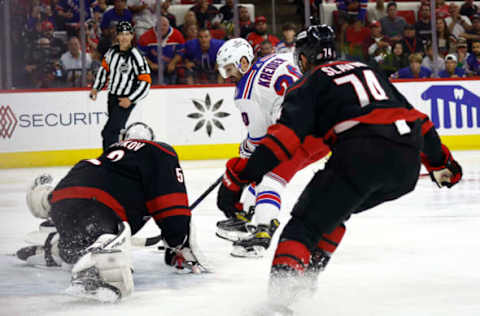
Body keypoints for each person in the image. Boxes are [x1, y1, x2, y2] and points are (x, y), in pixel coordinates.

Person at [216, 24, 462, 313]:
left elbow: (282, 142)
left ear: (304, 59)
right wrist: (441, 162)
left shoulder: (308, 83)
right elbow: (418, 119)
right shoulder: (366, 68)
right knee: (334, 212)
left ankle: (280, 301)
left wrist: (240, 177)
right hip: (405, 166)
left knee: (304, 225)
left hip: (360, 155)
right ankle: (305, 280)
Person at [16, 122, 206, 302]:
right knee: (109, 234)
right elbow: (171, 205)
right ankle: (99, 258)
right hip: (99, 207)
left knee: (78, 232)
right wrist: (177, 241)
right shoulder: (160, 151)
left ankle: (56, 238)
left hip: (64, 197)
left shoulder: (111, 154)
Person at [215, 38, 342, 259]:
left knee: (268, 177)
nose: (228, 76)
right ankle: (245, 214)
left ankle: (261, 235)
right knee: (265, 171)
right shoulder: (276, 58)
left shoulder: (244, 93)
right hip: (328, 123)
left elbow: (257, 139)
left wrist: (244, 152)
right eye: (224, 71)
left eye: (230, 69)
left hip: (303, 132)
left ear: (244, 62)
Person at [90, 22, 152, 150]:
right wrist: (96, 88)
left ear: (132, 36)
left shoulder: (136, 55)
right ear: (117, 36)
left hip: (125, 99)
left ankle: (109, 161)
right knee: (114, 132)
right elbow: (104, 70)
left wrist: (131, 99)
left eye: (127, 34)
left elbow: (146, 81)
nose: (124, 37)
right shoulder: (111, 52)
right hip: (112, 96)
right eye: (121, 34)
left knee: (109, 132)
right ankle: (115, 159)